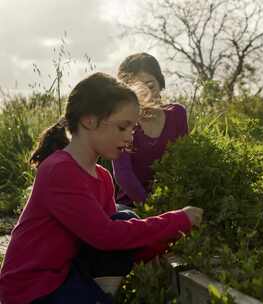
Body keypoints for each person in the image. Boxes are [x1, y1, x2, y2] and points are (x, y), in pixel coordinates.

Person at [0, 72, 203, 304]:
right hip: (33, 290)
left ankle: (98, 295)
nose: (130, 137)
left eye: (133, 129)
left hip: (68, 274)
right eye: (122, 127)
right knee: (120, 222)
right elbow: (106, 237)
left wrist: (173, 234)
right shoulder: (59, 170)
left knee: (123, 217)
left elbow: (118, 246)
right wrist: (175, 221)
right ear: (89, 121)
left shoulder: (103, 177)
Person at [113, 53, 188, 208]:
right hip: (132, 205)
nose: (146, 93)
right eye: (138, 89)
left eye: (150, 85)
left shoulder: (177, 114)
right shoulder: (123, 124)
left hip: (173, 203)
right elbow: (123, 175)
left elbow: (185, 161)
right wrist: (151, 208)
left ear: (160, 82)